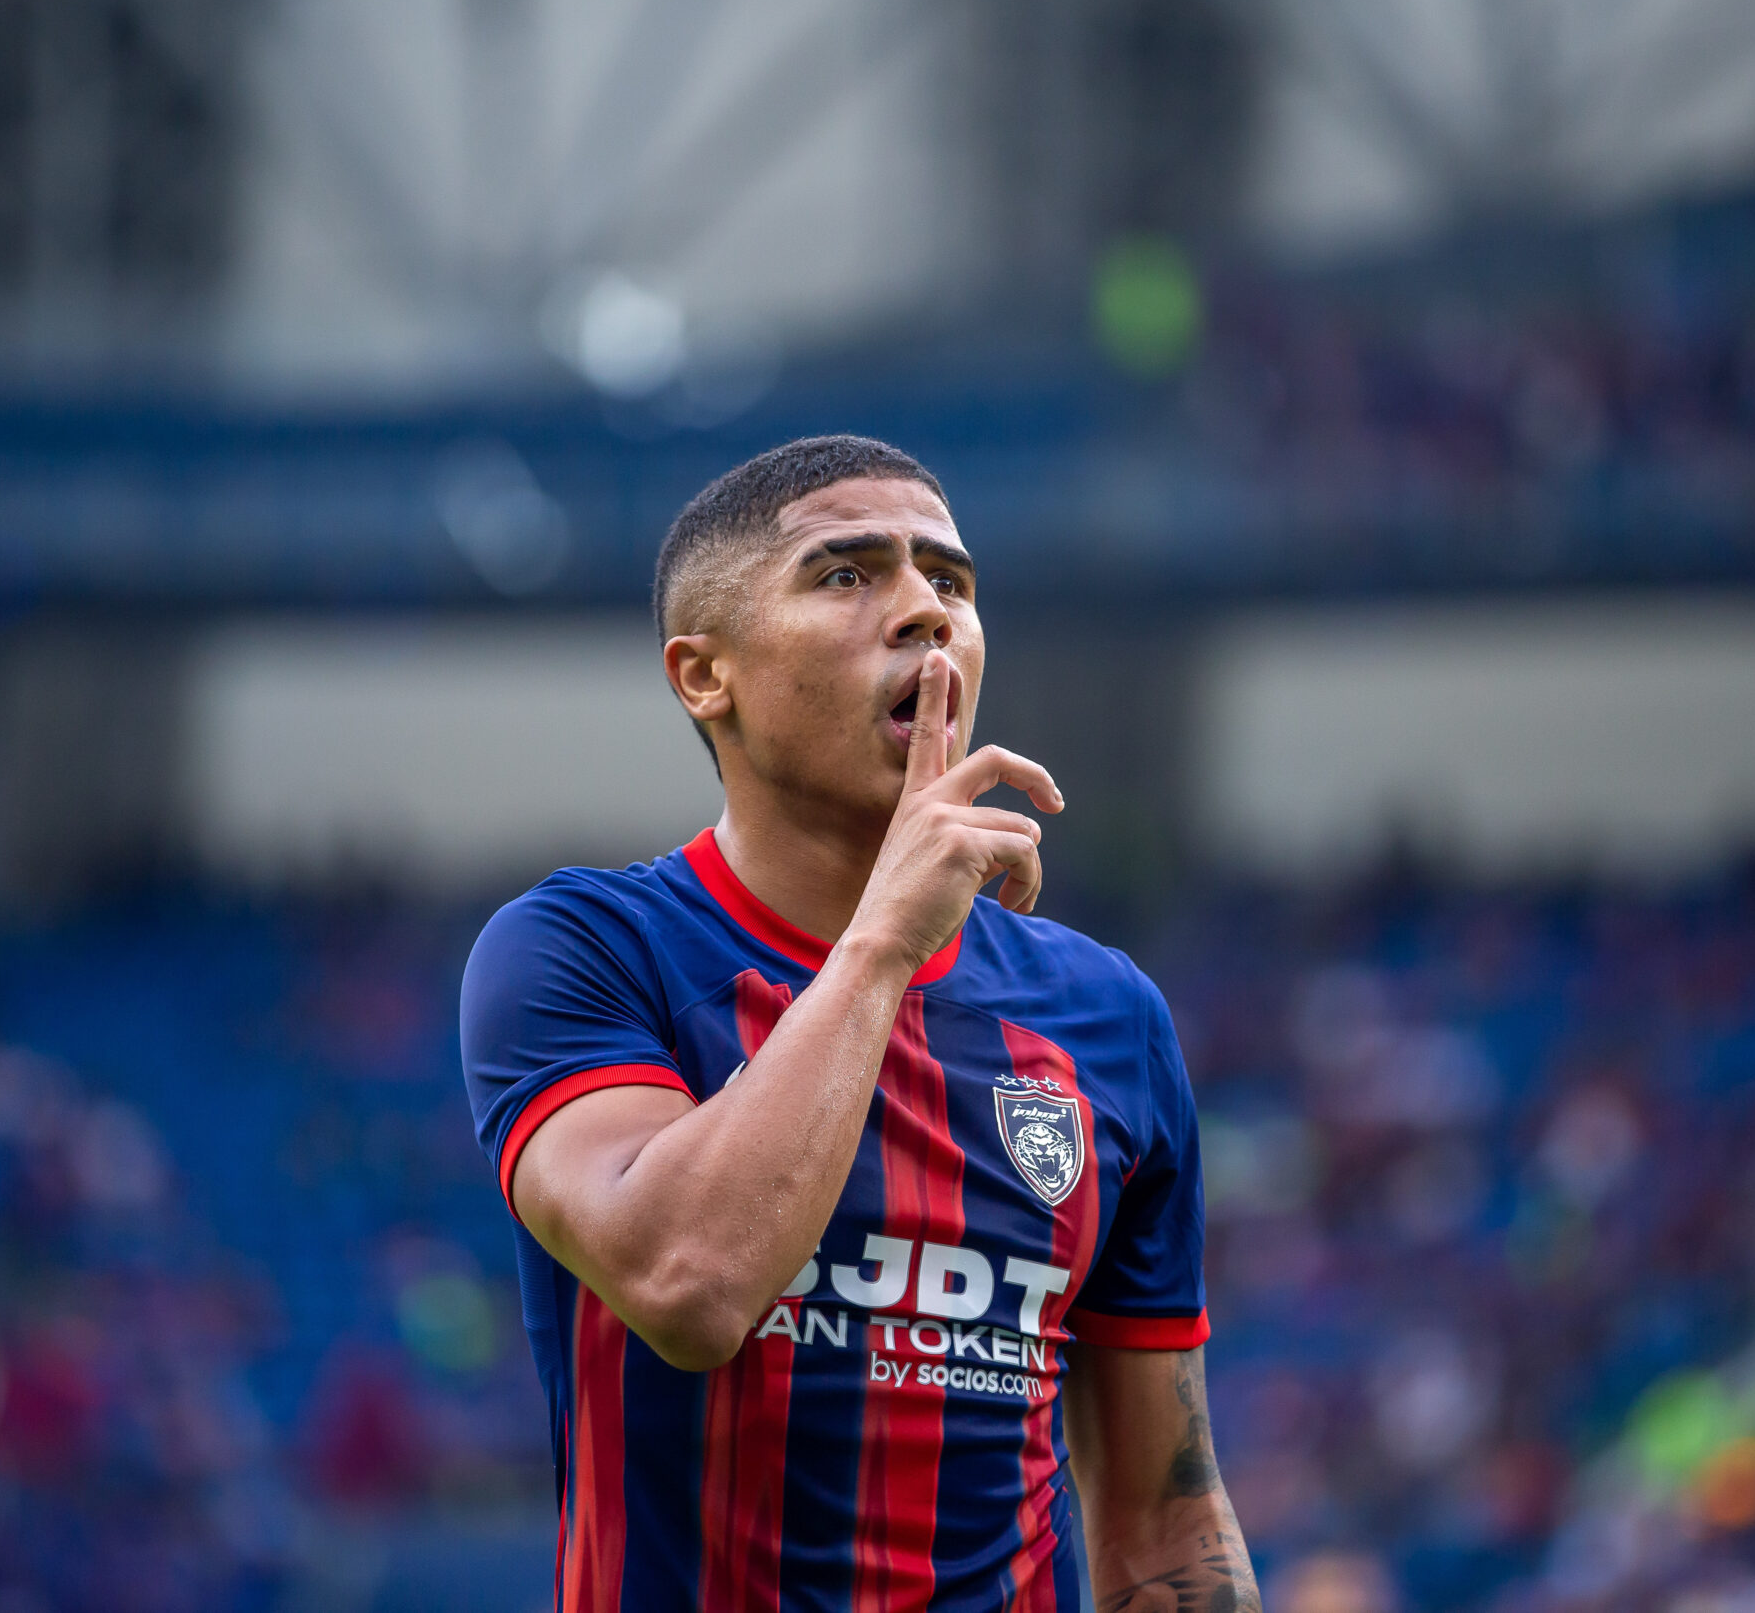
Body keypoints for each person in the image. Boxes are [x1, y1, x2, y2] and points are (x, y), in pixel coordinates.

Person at [460, 435, 1255, 1609]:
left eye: (952, 581)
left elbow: (1164, 1521)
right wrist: (884, 939)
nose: (925, 613)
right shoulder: (582, 950)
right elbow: (689, 1283)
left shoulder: (1106, 1018)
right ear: (702, 676)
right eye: (846, 574)